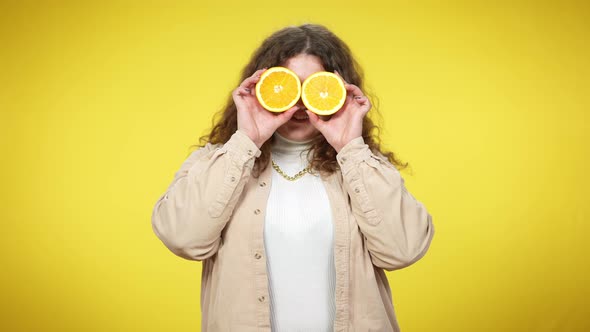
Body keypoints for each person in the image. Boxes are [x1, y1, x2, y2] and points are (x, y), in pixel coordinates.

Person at [151, 23, 435, 332]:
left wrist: (350, 147)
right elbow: (182, 238)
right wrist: (247, 139)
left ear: (338, 90)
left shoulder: (362, 167)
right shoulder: (220, 163)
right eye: (287, 85)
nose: (299, 101)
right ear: (260, 87)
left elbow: (404, 250)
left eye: (315, 86)